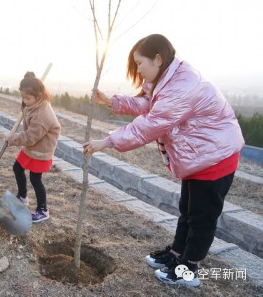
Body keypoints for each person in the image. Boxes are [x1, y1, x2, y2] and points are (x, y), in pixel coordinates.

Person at [82, 34, 245, 287]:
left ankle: (188, 269)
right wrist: (113, 102)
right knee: (187, 210)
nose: (137, 69)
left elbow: (149, 125)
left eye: (139, 63)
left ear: (158, 59)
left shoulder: (181, 87)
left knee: (201, 218)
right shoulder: (169, 79)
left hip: (215, 159)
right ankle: (177, 254)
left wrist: (108, 141)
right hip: (199, 157)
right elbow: (148, 103)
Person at [6, 72, 61, 223]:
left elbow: (31, 137)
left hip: (41, 150)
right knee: (17, 167)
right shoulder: (34, 103)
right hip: (32, 147)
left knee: (35, 179)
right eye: (22, 97)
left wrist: (13, 139)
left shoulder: (42, 115)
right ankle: (23, 196)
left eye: (28, 98)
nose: (25, 101)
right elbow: (27, 108)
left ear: (39, 95)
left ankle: (43, 210)